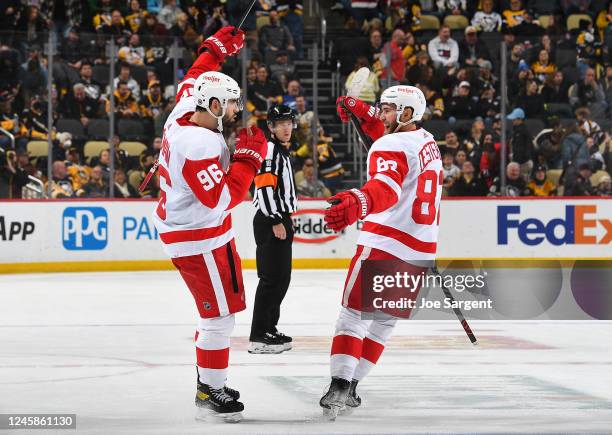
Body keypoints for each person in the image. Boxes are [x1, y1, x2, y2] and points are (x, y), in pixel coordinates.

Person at [149, 26, 265, 423]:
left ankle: (210, 381)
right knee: (218, 317)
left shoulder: (185, 110)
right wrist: (248, 161)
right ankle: (209, 389)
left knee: (220, 311)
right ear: (213, 103)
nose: (237, 110)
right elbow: (218, 198)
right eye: (231, 103)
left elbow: (191, 77)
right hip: (196, 236)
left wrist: (215, 50)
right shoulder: (196, 144)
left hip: (203, 231)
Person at [320, 86, 442, 416]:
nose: (382, 114)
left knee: (352, 317)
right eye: (382, 108)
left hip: (384, 243)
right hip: (420, 249)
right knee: (383, 324)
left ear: (405, 114)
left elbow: (385, 188)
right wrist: (360, 109)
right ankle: (354, 386)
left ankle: (340, 385)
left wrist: (361, 201)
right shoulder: (427, 140)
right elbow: (384, 132)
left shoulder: (391, 144)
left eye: (389, 109)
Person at [250, 104, 298, 354]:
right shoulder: (270, 151)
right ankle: (259, 335)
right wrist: (276, 219)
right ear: (270, 127)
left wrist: (286, 217)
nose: (286, 127)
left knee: (281, 279)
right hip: (271, 220)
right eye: (280, 123)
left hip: (280, 218)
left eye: (289, 122)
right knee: (271, 279)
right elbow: (265, 187)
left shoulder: (281, 151)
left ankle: (269, 327)